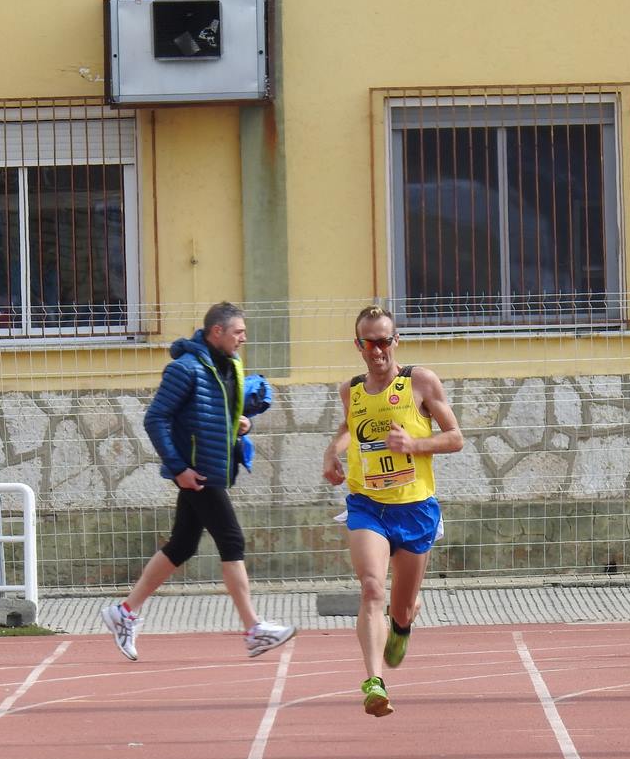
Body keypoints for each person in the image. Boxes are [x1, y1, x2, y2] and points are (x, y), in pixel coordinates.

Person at [100, 302, 295, 662]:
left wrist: (239, 424)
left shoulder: (228, 367)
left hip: (214, 469)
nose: (243, 338)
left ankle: (124, 612)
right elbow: (155, 418)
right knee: (232, 540)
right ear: (216, 332)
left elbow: (214, 412)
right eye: (238, 332)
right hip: (196, 473)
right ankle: (253, 630)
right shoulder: (185, 369)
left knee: (182, 545)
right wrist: (177, 468)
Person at [322, 305, 464, 717]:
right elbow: (351, 428)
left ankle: (402, 623)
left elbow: (456, 438)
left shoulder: (420, 381)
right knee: (370, 587)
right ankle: (374, 681)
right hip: (367, 505)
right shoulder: (350, 389)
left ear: (395, 341)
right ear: (358, 345)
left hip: (415, 509)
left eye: (384, 341)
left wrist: (415, 445)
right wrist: (333, 451)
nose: (377, 350)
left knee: (400, 607)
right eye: (369, 342)